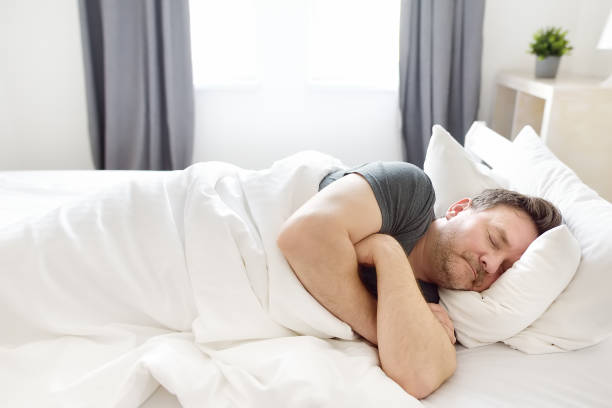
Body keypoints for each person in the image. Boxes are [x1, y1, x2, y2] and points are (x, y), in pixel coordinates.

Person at [276, 161, 561, 399]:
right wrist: (384, 329)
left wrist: (385, 252)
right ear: (459, 209)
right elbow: (303, 236)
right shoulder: (411, 193)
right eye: (494, 239)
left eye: (505, 270)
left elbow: (420, 377)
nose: (492, 264)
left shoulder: (430, 305)